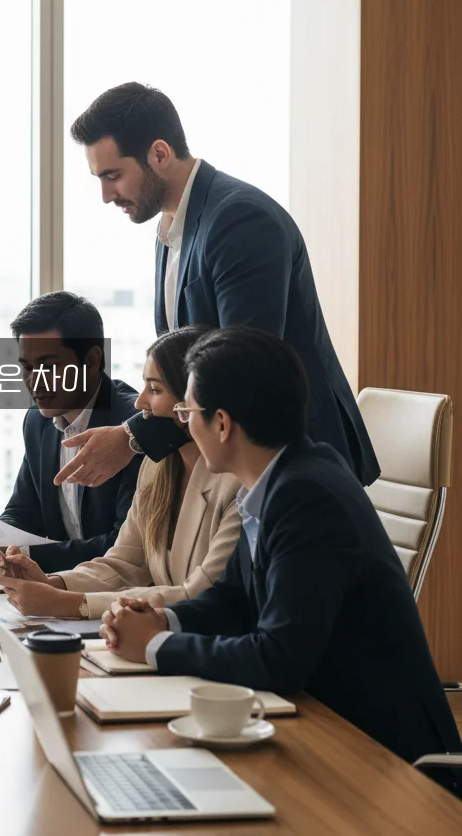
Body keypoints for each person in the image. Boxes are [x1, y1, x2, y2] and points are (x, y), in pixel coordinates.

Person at [99, 326, 461, 787]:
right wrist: (160, 619)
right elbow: (232, 598)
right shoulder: (286, 476)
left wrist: (152, 646)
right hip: (325, 729)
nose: (184, 423)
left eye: (188, 411)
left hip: (390, 763)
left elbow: (279, 660)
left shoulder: (306, 498)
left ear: (223, 424)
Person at [58, 82, 378, 491]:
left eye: (113, 176)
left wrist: (131, 438)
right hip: (235, 462)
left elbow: (239, 369)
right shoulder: (171, 229)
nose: (106, 196)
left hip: (298, 470)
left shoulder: (239, 220)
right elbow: (180, 365)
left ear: (159, 153)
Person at [0, 326, 241, 619]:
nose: (139, 402)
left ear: (194, 400)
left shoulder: (238, 485)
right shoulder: (158, 466)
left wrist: (65, 603)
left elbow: (198, 596)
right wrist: (53, 584)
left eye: (154, 389)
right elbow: (125, 563)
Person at [0, 291, 141, 574]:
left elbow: (122, 545)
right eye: (27, 368)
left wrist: (19, 553)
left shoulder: (131, 428)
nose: (35, 382)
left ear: (93, 360)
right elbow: (24, 511)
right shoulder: (37, 421)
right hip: (57, 588)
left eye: (49, 367)